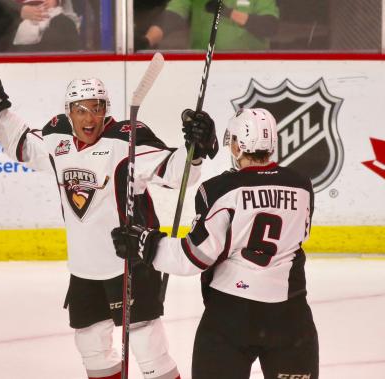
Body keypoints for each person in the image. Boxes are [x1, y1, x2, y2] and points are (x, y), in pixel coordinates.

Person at [0, 64, 219, 379]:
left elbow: (173, 173)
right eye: (81, 110)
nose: (89, 118)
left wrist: (194, 150)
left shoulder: (127, 138)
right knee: (91, 346)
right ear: (69, 112)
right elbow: (24, 144)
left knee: (146, 345)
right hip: (84, 267)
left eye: (97, 109)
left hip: (129, 262)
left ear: (106, 110)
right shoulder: (57, 136)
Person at [112, 108, 319, 379]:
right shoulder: (301, 186)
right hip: (290, 316)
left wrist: (146, 243)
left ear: (236, 144)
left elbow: (194, 256)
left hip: (231, 315)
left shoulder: (220, 189)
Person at [166, 0, 280, 51]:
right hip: (202, 64)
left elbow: (269, 26)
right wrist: (148, 40)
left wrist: (227, 12)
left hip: (250, 66)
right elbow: (172, 15)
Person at [0, 0, 81, 52]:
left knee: (65, 25)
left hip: (49, 13)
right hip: (12, 16)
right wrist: (20, 10)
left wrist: (54, 1)